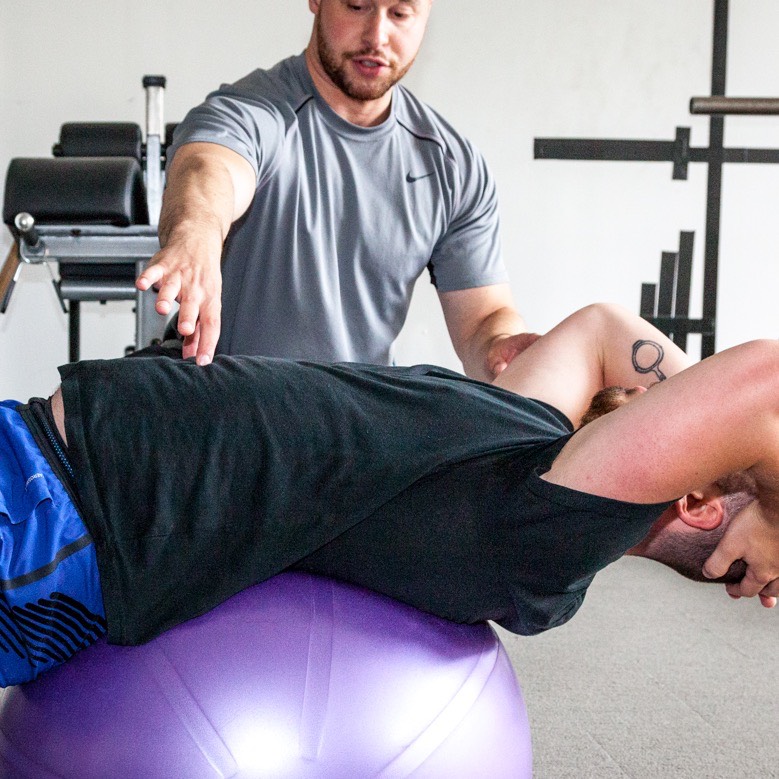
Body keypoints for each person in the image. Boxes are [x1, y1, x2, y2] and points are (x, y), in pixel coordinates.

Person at [1, 303, 777, 686]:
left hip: (75, 488)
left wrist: (745, 487)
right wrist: (764, 504)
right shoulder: (547, 531)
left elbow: (608, 330)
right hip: (71, 500)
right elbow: (762, 379)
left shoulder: (529, 445)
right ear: (697, 501)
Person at [135, 0, 535, 378]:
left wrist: (499, 346)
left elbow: (482, 319)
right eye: (357, 6)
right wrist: (196, 233)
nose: (377, 36)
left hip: (359, 415)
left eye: (400, 13)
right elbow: (210, 167)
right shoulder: (254, 112)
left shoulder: (451, 166)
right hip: (234, 407)